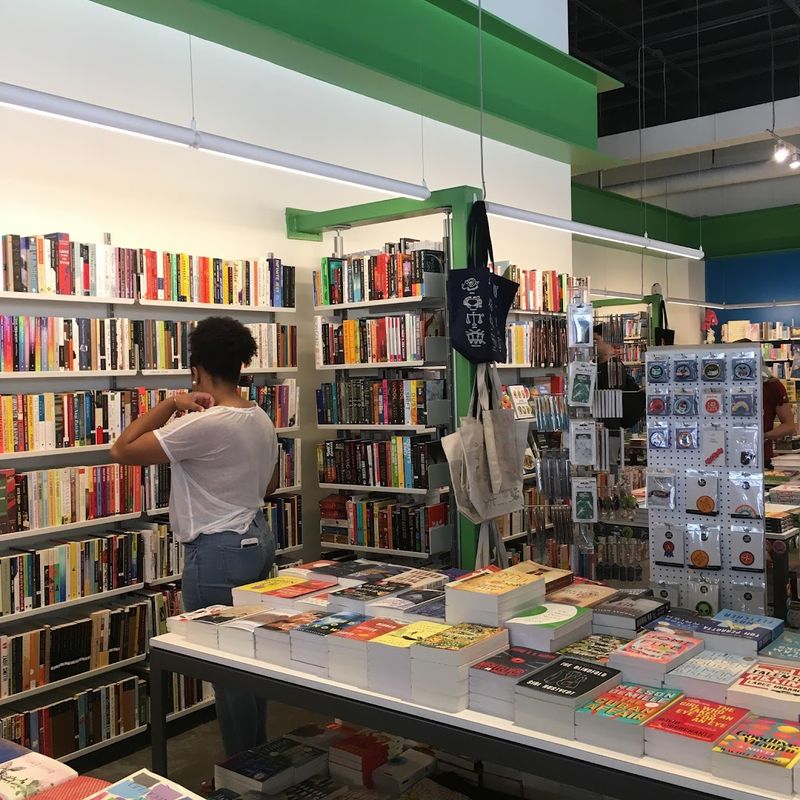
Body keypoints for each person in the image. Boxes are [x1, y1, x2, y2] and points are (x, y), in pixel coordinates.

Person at [110, 316, 280, 760]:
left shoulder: (205, 423)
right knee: (249, 661)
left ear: (197, 368)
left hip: (218, 549)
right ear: (242, 364)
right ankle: (257, 762)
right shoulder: (258, 416)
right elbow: (269, 487)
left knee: (225, 667)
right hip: (256, 537)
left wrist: (168, 405)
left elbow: (122, 449)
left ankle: (245, 772)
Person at [735, 339, 798, 466]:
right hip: (724, 457)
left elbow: (789, 425)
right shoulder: (724, 387)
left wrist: (762, 436)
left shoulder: (772, 385)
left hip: (760, 457)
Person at [593, 324, 645, 430]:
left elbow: (612, 402)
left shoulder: (614, 367)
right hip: (597, 422)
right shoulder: (595, 364)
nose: (593, 344)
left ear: (607, 340)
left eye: (596, 340)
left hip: (609, 427)